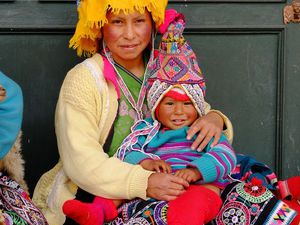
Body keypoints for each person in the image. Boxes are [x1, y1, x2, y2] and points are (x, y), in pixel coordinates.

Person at [32, 1, 233, 224]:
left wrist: (215, 118)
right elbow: (82, 163)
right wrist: (145, 181)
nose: (130, 34)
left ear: (152, 23)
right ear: (99, 25)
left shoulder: (165, 63)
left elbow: (196, 110)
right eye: (117, 22)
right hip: (104, 190)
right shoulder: (82, 80)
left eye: (139, 21)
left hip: (176, 180)